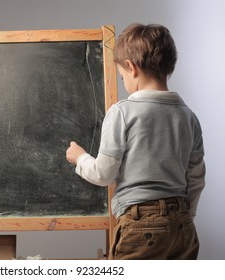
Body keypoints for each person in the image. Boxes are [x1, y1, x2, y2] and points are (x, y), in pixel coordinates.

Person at [66, 23, 205, 260]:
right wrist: (184, 216)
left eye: (121, 77)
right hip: (183, 224)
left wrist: (79, 157)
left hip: (141, 223)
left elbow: (104, 174)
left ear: (131, 68)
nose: (123, 82)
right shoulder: (188, 116)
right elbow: (196, 178)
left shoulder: (122, 112)